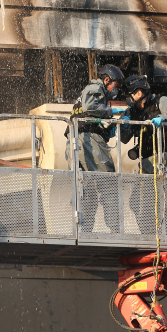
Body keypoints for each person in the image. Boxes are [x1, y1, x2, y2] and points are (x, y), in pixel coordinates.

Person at [120, 75, 167, 233]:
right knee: (137, 201)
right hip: (147, 162)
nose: (130, 98)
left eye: (132, 94)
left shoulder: (161, 102)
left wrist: (162, 118)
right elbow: (124, 139)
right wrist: (124, 123)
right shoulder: (133, 111)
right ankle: (149, 232)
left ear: (141, 91)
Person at [65, 64, 125, 232]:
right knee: (108, 182)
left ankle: (82, 229)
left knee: (85, 189)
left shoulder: (87, 91)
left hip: (77, 141)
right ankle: (115, 229)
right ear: (107, 80)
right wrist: (110, 111)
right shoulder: (95, 87)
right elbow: (90, 107)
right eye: (116, 85)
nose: (116, 90)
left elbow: (87, 113)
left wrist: (105, 129)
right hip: (88, 141)